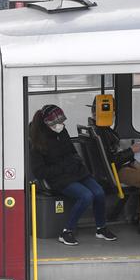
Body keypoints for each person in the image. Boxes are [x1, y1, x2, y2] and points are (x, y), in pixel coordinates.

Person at [29, 104, 117, 246]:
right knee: (86, 196)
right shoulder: (37, 142)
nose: (60, 125)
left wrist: (77, 163)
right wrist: (63, 167)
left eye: (61, 122)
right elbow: (40, 171)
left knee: (99, 192)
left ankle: (101, 228)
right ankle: (66, 231)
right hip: (58, 177)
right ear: (47, 123)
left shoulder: (62, 132)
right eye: (56, 123)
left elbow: (72, 152)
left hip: (76, 171)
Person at [89, 96, 140, 236]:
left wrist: (134, 151)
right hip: (115, 170)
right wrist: (131, 151)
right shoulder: (100, 132)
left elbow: (114, 153)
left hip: (122, 164)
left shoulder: (104, 129)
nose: (112, 115)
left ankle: (139, 213)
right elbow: (111, 160)